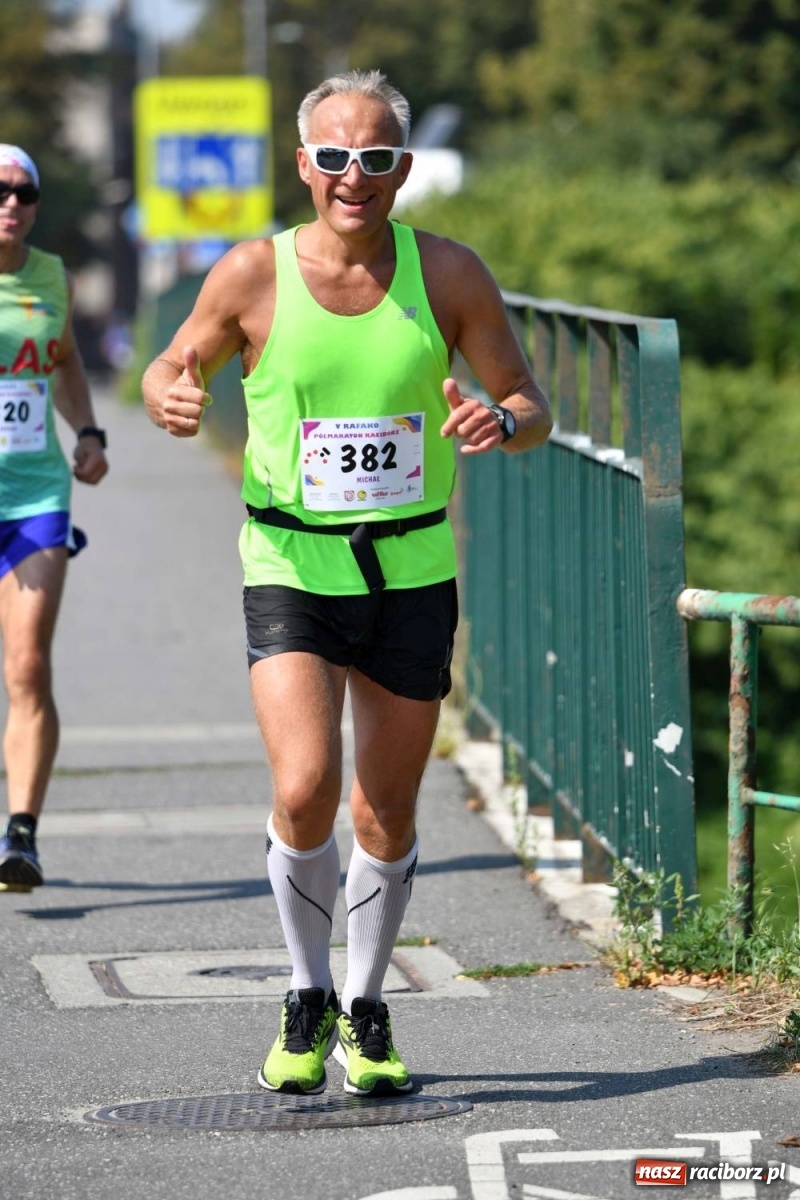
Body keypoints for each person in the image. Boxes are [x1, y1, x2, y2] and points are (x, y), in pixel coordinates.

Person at [142, 69, 552, 1096]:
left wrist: (500, 419)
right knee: (303, 787)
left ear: (401, 169)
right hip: (291, 562)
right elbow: (171, 364)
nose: (352, 176)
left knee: (386, 812)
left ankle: (366, 1007)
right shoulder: (252, 272)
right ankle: (305, 990)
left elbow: (527, 400)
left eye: (374, 158)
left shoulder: (448, 272)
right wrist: (169, 396)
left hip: (412, 567)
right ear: (303, 165)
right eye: (333, 156)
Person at [0, 145, 109, 892]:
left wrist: (89, 432)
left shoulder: (53, 278)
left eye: (25, 191)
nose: (12, 202)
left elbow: (65, 359)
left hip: (35, 494)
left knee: (28, 663)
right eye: (0, 189)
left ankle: (22, 834)